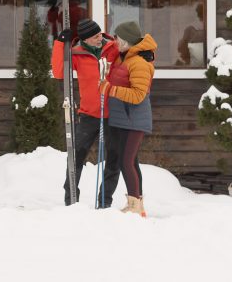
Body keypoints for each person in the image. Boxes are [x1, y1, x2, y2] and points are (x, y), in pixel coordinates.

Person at [51, 17, 119, 206]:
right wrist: (60, 44)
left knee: (114, 160)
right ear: (85, 40)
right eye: (95, 37)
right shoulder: (77, 54)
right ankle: (71, 199)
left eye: (100, 35)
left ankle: (105, 201)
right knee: (75, 158)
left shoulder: (113, 48)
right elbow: (59, 72)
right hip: (89, 115)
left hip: (113, 114)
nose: (100, 39)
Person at [98, 20, 156, 217]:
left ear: (127, 41)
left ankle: (135, 206)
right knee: (131, 162)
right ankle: (136, 203)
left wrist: (110, 89)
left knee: (126, 162)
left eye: (118, 39)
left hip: (134, 120)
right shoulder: (125, 58)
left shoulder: (139, 63)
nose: (116, 42)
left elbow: (138, 95)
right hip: (123, 118)